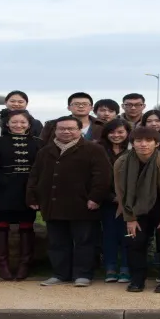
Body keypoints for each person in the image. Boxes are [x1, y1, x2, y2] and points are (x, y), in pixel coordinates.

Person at [27, 117, 114, 287]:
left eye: (71, 128)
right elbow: (35, 175)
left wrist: (95, 197)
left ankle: (83, 274)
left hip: (83, 204)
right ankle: (60, 274)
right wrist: (32, 196)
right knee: (57, 242)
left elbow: (103, 176)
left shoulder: (93, 149)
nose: (66, 132)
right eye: (62, 129)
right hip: (53, 203)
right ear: (55, 130)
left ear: (79, 130)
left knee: (84, 242)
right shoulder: (45, 151)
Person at [113, 127, 160, 292]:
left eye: (148, 141)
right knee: (134, 242)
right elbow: (121, 192)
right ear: (133, 143)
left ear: (156, 143)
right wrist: (130, 218)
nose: (143, 144)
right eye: (138, 141)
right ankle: (137, 280)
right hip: (134, 208)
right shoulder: (122, 162)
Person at [0, 111, 42, 280]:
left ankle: (25, 264)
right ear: (7, 124)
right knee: (1, 226)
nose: (18, 125)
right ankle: (2, 264)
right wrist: (4, 181)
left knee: (26, 226)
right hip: (3, 191)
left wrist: (33, 187)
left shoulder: (38, 143)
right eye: (14, 122)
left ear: (29, 124)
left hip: (28, 191)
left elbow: (41, 167)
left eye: (23, 122)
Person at [98, 119, 132, 283]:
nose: (116, 135)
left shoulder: (134, 149)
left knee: (128, 234)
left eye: (120, 132)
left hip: (129, 201)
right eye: (112, 132)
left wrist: (124, 197)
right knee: (109, 234)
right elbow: (95, 176)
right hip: (106, 199)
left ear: (127, 133)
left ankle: (126, 267)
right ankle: (110, 267)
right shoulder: (98, 149)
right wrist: (112, 196)